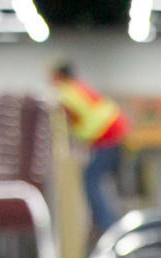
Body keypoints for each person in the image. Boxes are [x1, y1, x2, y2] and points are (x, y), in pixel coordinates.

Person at [50, 62, 131, 234]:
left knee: (91, 181)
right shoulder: (81, 88)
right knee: (102, 180)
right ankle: (112, 222)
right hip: (115, 135)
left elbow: (69, 121)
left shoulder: (66, 93)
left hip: (107, 137)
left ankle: (108, 226)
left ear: (59, 75)